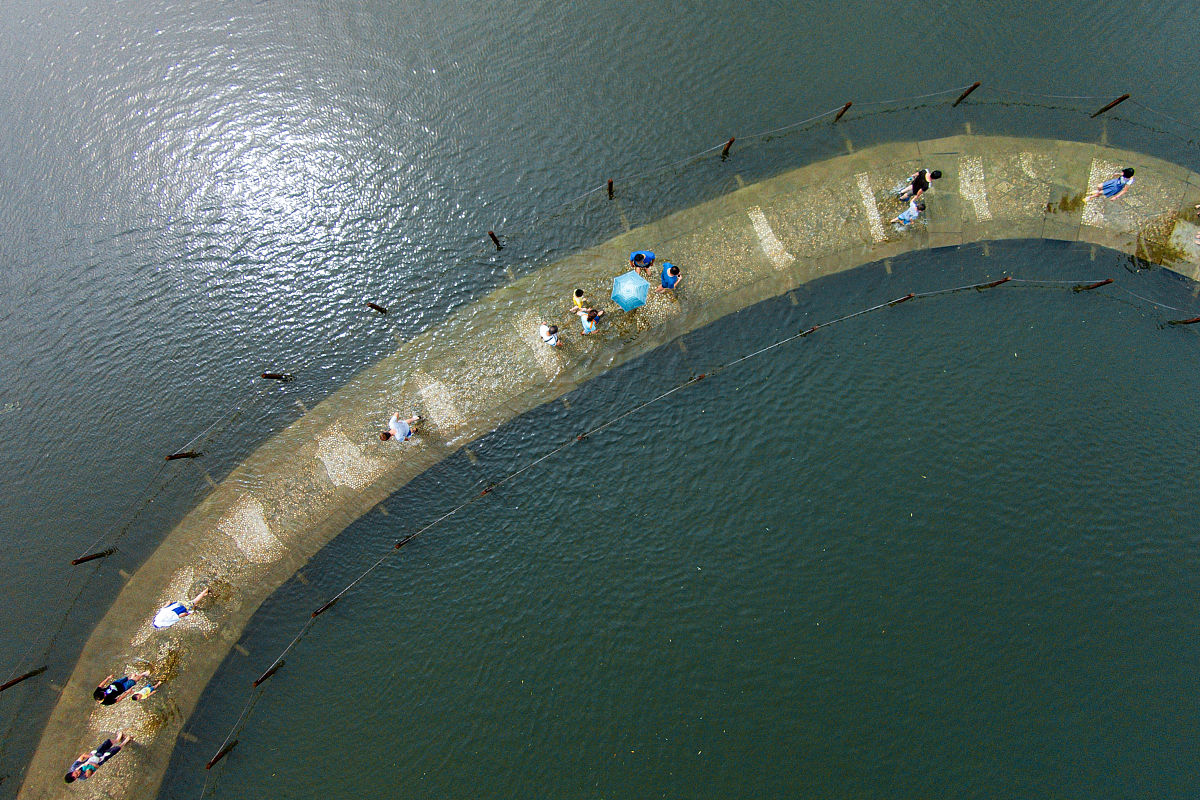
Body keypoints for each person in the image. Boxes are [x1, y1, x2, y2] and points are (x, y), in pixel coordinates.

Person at [64, 732, 131, 783]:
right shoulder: (83, 777)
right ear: (75, 779)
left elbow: (82, 756)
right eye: (76, 775)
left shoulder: (74, 767)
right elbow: (96, 768)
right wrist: (90, 764)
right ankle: (124, 743)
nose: (77, 773)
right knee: (113, 750)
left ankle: (117, 740)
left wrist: (91, 756)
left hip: (94, 756)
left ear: (72, 772)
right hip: (100, 761)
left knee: (107, 743)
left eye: (75, 772)